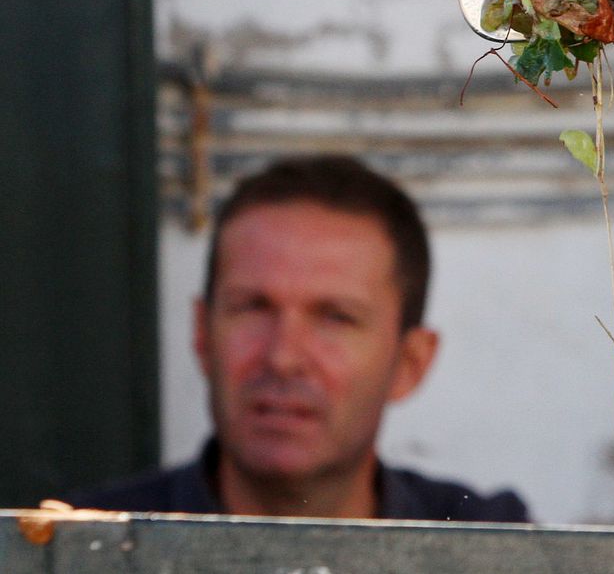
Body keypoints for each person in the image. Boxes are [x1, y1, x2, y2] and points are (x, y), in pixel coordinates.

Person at [72, 155, 529, 521]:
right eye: (253, 307)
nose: (283, 357)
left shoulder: (489, 551)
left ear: (409, 363)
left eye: (336, 318)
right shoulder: (80, 547)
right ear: (202, 334)